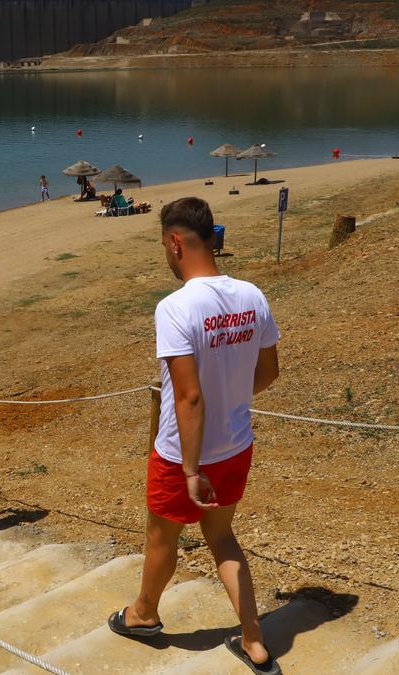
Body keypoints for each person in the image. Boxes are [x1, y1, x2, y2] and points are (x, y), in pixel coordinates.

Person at [107, 197, 282, 675]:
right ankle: (254, 641)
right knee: (222, 537)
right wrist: (230, 394)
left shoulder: (175, 307)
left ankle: (143, 615)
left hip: (182, 455)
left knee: (161, 539)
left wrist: (188, 469)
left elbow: (187, 398)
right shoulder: (253, 295)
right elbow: (269, 371)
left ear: (175, 242)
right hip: (236, 443)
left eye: (165, 248)